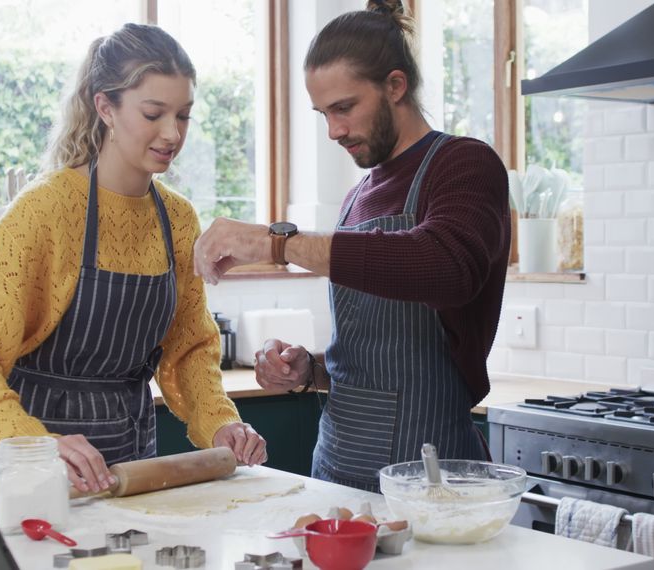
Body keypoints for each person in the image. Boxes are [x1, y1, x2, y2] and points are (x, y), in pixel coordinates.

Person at [192, 1, 509, 492]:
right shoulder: (356, 198)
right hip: (335, 471)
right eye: (323, 113)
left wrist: (275, 244)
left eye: (344, 108)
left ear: (395, 86)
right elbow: (376, 356)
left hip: (429, 482)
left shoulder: (464, 165)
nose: (334, 131)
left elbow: (444, 265)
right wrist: (309, 369)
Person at [0, 24, 267, 496]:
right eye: (153, 113)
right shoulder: (47, 209)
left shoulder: (177, 218)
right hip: (41, 471)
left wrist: (220, 422)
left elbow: (190, 345)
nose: (172, 134)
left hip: (134, 462)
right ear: (104, 107)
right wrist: (30, 441)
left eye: (184, 115)